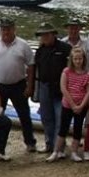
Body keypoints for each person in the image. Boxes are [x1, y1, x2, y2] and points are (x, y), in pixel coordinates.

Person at [0, 17, 37, 153]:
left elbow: (31, 66)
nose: (6, 32)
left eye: (8, 29)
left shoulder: (23, 45)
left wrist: (30, 86)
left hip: (18, 85)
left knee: (24, 115)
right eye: (3, 29)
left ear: (14, 29)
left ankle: (30, 142)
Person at [33, 22, 71, 154]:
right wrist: (35, 92)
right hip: (44, 87)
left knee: (60, 117)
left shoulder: (66, 48)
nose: (45, 37)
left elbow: (72, 69)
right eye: (42, 35)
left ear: (53, 34)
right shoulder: (39, 51)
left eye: (47, 34)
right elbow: (36, 71)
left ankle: (59, 147)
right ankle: (49, 143)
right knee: (46, 117)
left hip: (61, 88)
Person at [53, 48, 89, 162]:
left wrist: (81, 105)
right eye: (75, 59)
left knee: (77, 128)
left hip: (81, 106)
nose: (78, 61)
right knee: (63, 128)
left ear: (83, 59)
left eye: (80, 59)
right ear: (72, 60)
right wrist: (73, 104)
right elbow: (63, 88)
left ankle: (74, 152)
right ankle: (56, 151)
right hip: (68, 105)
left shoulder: (88, 75)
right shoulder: (66, 72)